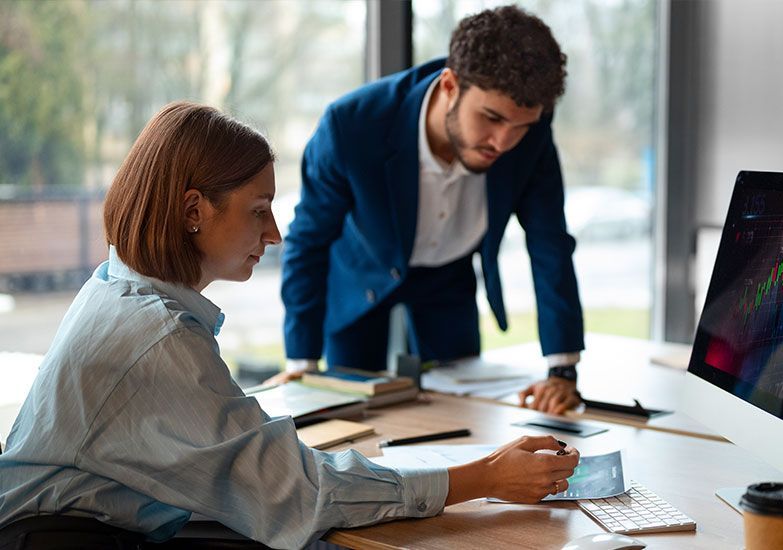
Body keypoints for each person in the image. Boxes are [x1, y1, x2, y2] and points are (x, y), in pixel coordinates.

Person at [0, 102, 579, 549]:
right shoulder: (158, 337)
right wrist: (486, 477)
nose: (274, 234)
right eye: (259, 211)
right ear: (193, 212)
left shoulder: (115, 286)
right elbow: (302, 493)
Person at [278, 5, 585, 415]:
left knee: (460, 416)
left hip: (449, 278)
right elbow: (307, 243)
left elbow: (550, 242)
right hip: (361, 275)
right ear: (449, 85)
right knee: (346, 415)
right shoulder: (351, 126)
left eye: (520, 126)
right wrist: (302, 363)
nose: (503, 142)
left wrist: (562, 369)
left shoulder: (531, 136)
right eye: (491, 118)